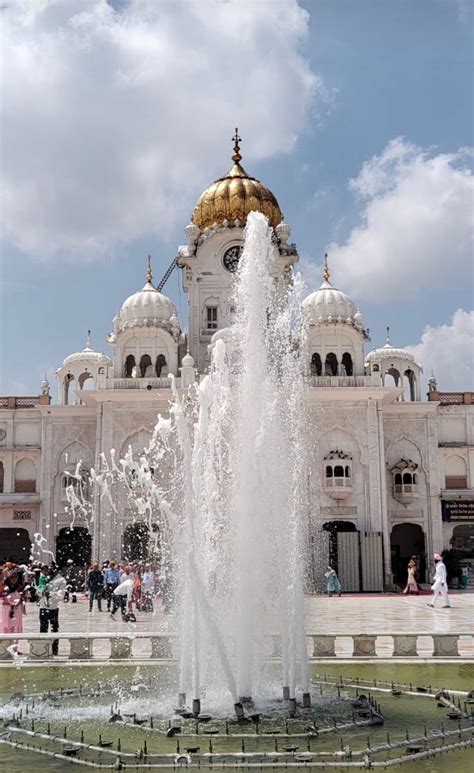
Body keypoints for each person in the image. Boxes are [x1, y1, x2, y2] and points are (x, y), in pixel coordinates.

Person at [38, 565, 66, 656]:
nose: (46, 571)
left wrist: (50, 594)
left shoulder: (61, 580)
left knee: (54, 629)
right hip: (43, 607)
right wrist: (41, 592)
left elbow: (61, 595)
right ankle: (43, 650)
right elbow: (38, 591)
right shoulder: (42, 578)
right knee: (43, 629)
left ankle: (54, 650)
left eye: (48, 569)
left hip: (53, 608)